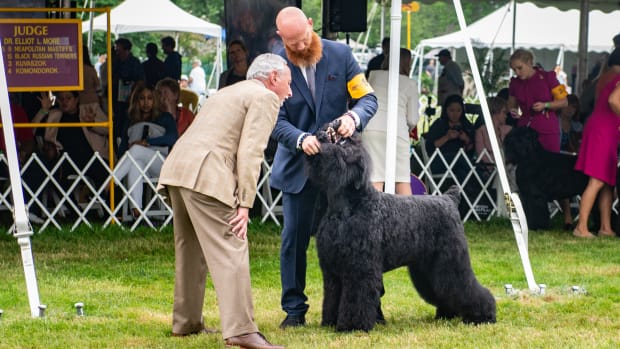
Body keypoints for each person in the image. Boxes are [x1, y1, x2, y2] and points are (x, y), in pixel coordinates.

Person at [156, 53, 291, 349]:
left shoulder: (227, 91)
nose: (289, 92)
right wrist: (245, 203)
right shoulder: (265, 98)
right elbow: (251, 152)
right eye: (288, 84)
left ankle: (186, 323)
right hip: (207, 174)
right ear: (273, 79)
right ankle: (241, 330)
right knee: (232, 245)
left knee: (189, 249)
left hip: (178, 169)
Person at [270, 6, 378, 329]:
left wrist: (353, 117)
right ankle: (293, 309)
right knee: (294, 240)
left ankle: (371, 305)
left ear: (311, 25)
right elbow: (274, 118)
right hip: (298, 170)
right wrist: (299, 139)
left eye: (302, 39)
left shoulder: (342, 54)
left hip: (342, 171)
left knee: (363, 240)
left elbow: (368, 100)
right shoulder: (275, 65)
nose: (300, 47)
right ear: (281, 39)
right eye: (292, 43)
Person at [573, 48, 620, 239]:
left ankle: (605, 227)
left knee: (607, 181)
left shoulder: (605, 76)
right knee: (597, 180)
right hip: (605, 130)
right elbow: (613, 100)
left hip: (598, 127)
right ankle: (581, 227)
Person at [115, 84, 178, 218]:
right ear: (136, 101)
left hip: (161, 164)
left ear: (155, 100)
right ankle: (137, 211)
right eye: (142, 98)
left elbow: (172, 138)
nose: (146, 102)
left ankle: (111, 183)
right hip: (139, 163)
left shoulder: (165, 117)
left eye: (149, 98)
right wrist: (129, 149)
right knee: (135, 163)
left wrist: (147, 142)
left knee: (137, 149)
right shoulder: (131, 120)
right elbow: (122, 148)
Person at [362, 47, 419, 194]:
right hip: (397, 132)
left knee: (375, 179)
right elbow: (413, 119)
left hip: (371, 129)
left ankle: (375, 216)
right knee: (401, 180)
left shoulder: (373, 75)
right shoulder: (410, 83)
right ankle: (408, 217)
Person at [44, 91, 110, 201]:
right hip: (66, 160)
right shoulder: (54, 115)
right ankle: (74, 210)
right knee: (54, 174)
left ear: (76, 99)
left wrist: (92, 123)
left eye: (68, 98)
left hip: (93, 157)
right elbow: (36, 132)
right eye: (61, 99)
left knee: (102, 171)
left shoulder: (90, 109)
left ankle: (105, 204)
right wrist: (43, 111)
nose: (64, 102)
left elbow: (108, 129)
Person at [507, 48, 567, 153]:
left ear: (529, 63)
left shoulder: (549, 77)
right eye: (514, 70)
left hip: (547, 130)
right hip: (525, 132)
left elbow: (564, 102)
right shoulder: (515, 83)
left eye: (520, 68)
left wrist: (545, 105)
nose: (517, 72)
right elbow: (511, 105)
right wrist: (513, 111)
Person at [424, 94, 474, 183]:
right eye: (451, 110)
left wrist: (466, 139)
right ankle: (479, 178)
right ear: (446, 110)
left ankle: (465, 195)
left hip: (459, 165)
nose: (455, 114)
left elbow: (472, 150)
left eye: (458, 111)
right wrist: (447, 137)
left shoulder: (466, 125)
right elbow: (429, 147)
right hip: (439, 162)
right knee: (460, 157)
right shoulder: (439, 124)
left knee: (462, 172)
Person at [111, 38, 145, 140]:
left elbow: (141, 81)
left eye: (118, 48)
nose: (116, 50)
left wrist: (132, 94)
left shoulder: (134, 62)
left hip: (129, 100)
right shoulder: (115, 62)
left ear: (126, 49)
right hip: (116, 99)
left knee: (127, 124)